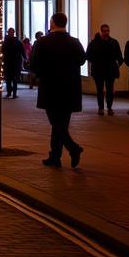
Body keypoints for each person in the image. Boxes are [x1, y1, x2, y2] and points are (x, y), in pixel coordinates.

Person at [28, 11, 85, 169]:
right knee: (61, 124)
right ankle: (55, 156)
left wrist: (40, 75)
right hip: (70, 89)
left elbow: (34, 64)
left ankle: (73, 149)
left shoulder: (42, 42)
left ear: (52, 23)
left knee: (56, 123)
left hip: (51, 88)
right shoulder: (74, 42)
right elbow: (82, 59)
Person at [86, 24, 124, 116]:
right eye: (104, 31)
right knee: (100, 90)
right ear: (101, 31)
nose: (106, 32)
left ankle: (109, 107)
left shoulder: (113, 42)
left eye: (107, 31)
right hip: (99, 69)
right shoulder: (95, 43)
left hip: (109, 69)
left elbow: (119, 56)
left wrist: (117, 64)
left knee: (109, 90)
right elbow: (88, 55)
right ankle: (101, 108)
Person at [2, 28, 25, 99]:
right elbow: (22, 52)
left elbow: (2, 51)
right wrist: (25, 59)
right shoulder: (18, 42)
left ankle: (9, 93)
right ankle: (14, 94)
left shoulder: (5, 42)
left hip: (8, 63)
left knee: (8, 79)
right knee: (14, 79)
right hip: (16, 63)